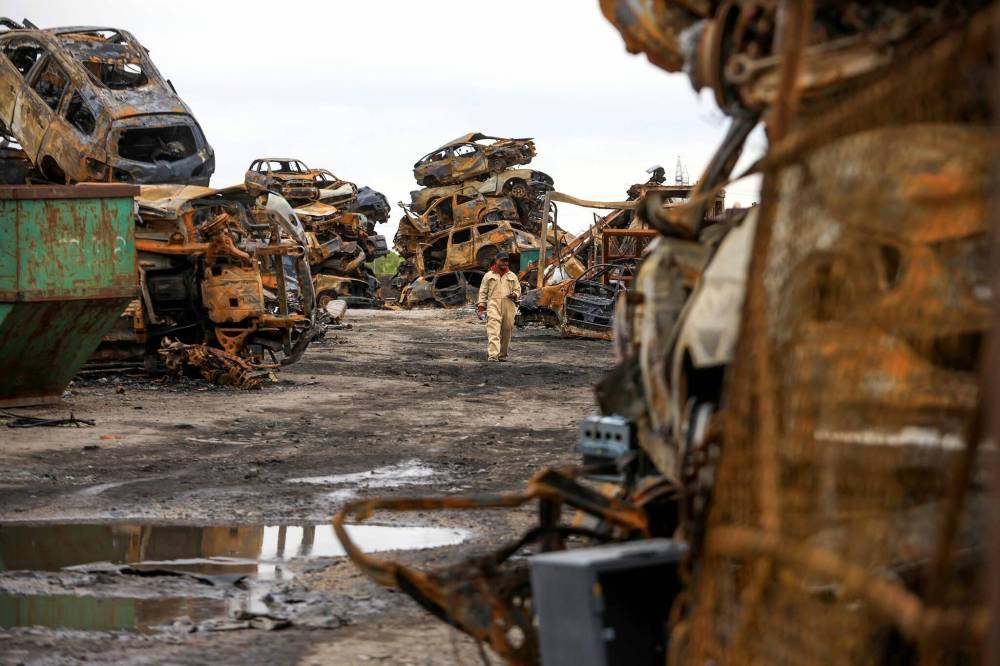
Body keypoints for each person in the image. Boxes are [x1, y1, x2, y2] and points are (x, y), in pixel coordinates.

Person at [476, 252, 521, 362]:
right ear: (496, 261)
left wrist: (515, 294)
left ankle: (502, 355)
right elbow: (483, 292)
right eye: (502, 261)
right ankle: (493, 355)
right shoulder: (488, 276)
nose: (504, 263)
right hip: (493, 305)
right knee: (493, 330)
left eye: (506, 261)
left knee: (507, 331)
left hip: (509, 305)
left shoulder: (512, 276)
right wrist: (481, 307)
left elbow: (518, 289)